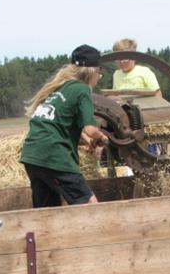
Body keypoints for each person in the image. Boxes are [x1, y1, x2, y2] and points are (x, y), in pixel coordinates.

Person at [20, 44, 109, 208]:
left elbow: (58, 121)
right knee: (90, 205)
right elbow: (91, 129)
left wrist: (85, 140)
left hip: (32, 156)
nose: (99, 77)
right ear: (92, 71)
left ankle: (43, 234)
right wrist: (103, 137)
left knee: (47, 210)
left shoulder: (58, 87)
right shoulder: (82, 90)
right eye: (100, 72)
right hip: (54, 156)